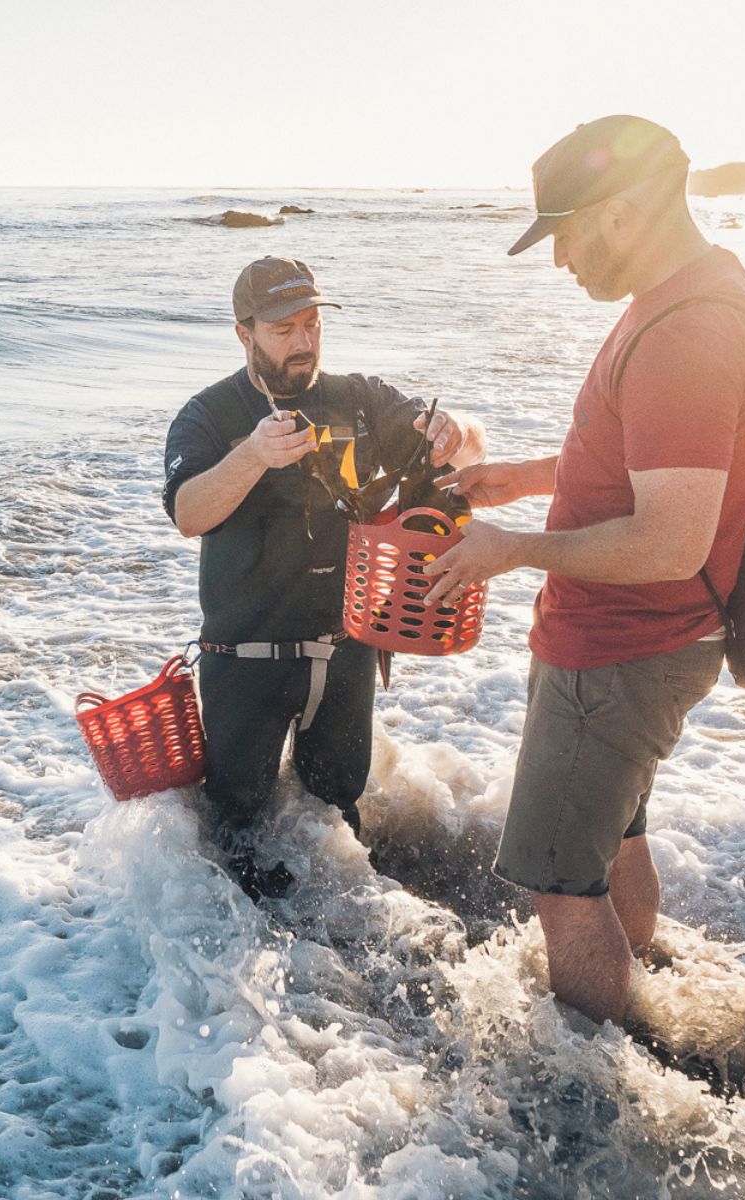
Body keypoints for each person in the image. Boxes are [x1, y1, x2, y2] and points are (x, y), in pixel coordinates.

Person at [424, 116, 745, 1025]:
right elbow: (659, 459)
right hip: (646, 645)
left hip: (617, 654)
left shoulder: (685, 335)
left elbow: (670, 540)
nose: (559, 261)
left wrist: (516, 552)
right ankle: (643, 993)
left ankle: (598, 1082)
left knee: (561, 887)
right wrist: (534, 478)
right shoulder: (696, 295)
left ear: (621, 214)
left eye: (566, 234)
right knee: (617, 842)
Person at [163, 256, 486, 899]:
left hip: (348, 650)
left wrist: (453, 431)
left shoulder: (360, 399)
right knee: (236, 831)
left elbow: (463, 452)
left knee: (338, 816)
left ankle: (344, 948)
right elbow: (188, 513)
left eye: (312, 325)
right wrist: (253, 454)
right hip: (246, 654)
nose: (303, 342)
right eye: (283, 330)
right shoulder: (208, 414)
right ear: (243, 333)